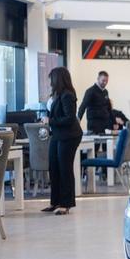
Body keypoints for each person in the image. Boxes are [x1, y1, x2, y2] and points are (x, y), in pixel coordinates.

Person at [42, 67, 83, 215]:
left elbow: (69, 118)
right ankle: (55, 202)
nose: (50, 83)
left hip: (70, 135)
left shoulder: (68, 95)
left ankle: (66, 204)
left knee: (65, 168)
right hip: (58, 135)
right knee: (54, 167)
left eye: (51, 80)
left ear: (58, 79)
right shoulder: (57, 94)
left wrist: (50, 120)